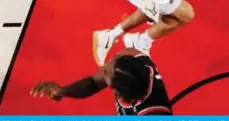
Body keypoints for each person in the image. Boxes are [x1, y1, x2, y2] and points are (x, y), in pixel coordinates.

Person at [30, 48, 172, 115]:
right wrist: (62, 91)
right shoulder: (131, 55)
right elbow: (92, 83)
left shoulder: (153, 114)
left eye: (105, 73)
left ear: (117, 91)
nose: (104, 67)